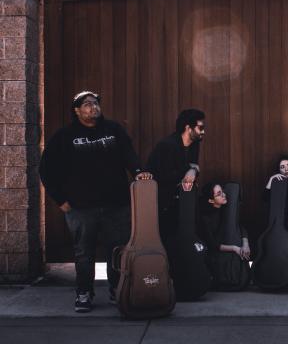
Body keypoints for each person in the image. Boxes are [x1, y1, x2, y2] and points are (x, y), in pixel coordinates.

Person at [39, 90, 152, 313]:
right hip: (81, 207)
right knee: (84, 252)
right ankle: (84, 293)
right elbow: (46, 169)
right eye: (88, 104)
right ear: (77, 110)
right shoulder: (65, 135)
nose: (93, 107)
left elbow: (129, 154)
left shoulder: (113, 130)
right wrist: (60, 200)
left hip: (116, 204)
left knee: (116, 250)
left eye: (96, 103)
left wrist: (138, 171)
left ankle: (116, 290)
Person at [146, 109, 205, 245]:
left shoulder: (194, 144)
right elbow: (165, 177)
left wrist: (192, 170)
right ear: (188, 128)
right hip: (162, 206)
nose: (203, 131)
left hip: (182, 202)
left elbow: (192, 170)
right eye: (200, 127)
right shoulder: (167, 146)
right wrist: (191, 169)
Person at [199, 182, 251, 290]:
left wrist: (245, 244)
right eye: (219, 194)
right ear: (211, 200)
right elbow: (213, 245)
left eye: (223, 191)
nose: (224, 195)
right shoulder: (206, 218)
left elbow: (240, 226)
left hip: (228, 244)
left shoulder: (226, 208)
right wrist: (234, 248)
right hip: (215, 252)